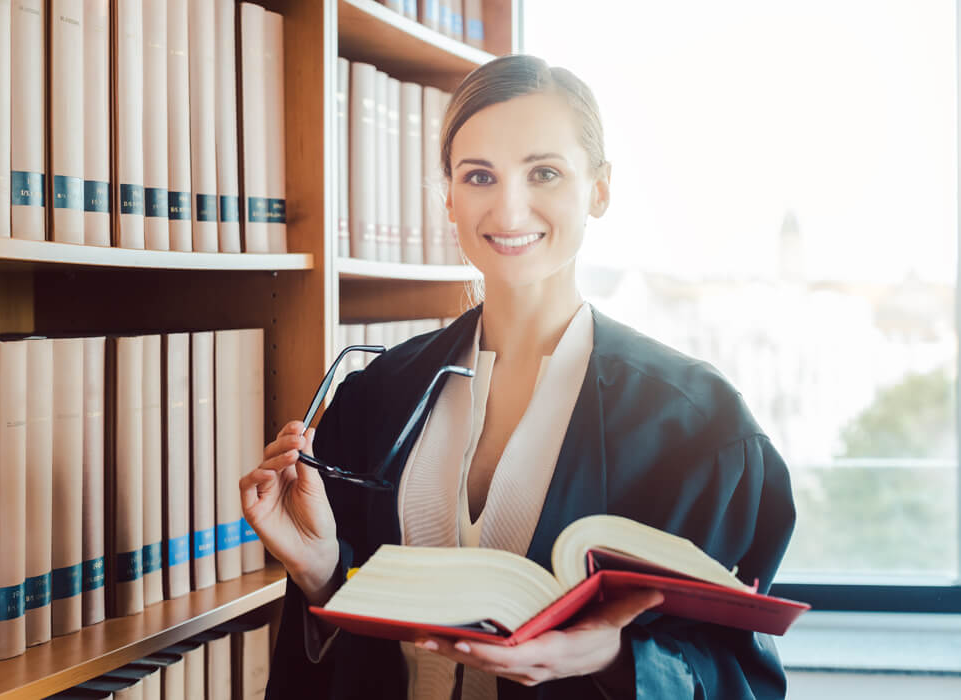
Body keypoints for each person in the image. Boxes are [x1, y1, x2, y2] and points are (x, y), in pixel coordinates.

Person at [241, 54, 796, 700]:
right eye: (479, 176)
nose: (509, 210)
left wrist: (617, 660)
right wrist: (320, 574)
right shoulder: (373, 401)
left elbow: (741, 680)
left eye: (545, 173)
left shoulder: (698, 429)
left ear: (600, 190)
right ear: (447, 195)